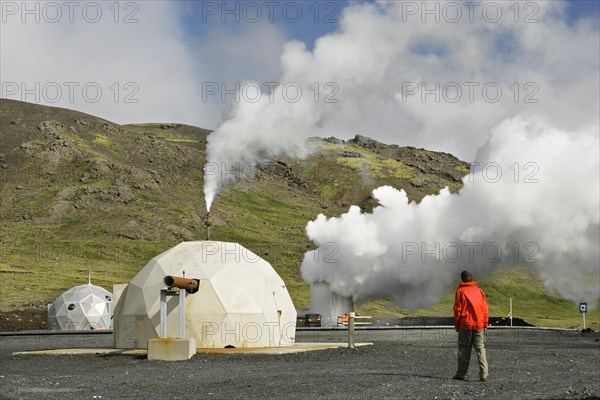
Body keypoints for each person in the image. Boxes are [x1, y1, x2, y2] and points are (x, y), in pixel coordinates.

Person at [453, 270, 489, 382]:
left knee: (464, 350)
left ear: (462, 279)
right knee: (480, 349)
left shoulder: (460, 291)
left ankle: (460, 374)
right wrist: (485, 323)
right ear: (472, 279)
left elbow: (458, 310)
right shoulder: (480, 291)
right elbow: (485, 309)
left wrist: (457, 325)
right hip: (479, 325)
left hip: (465, 324)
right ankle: (484, 375)